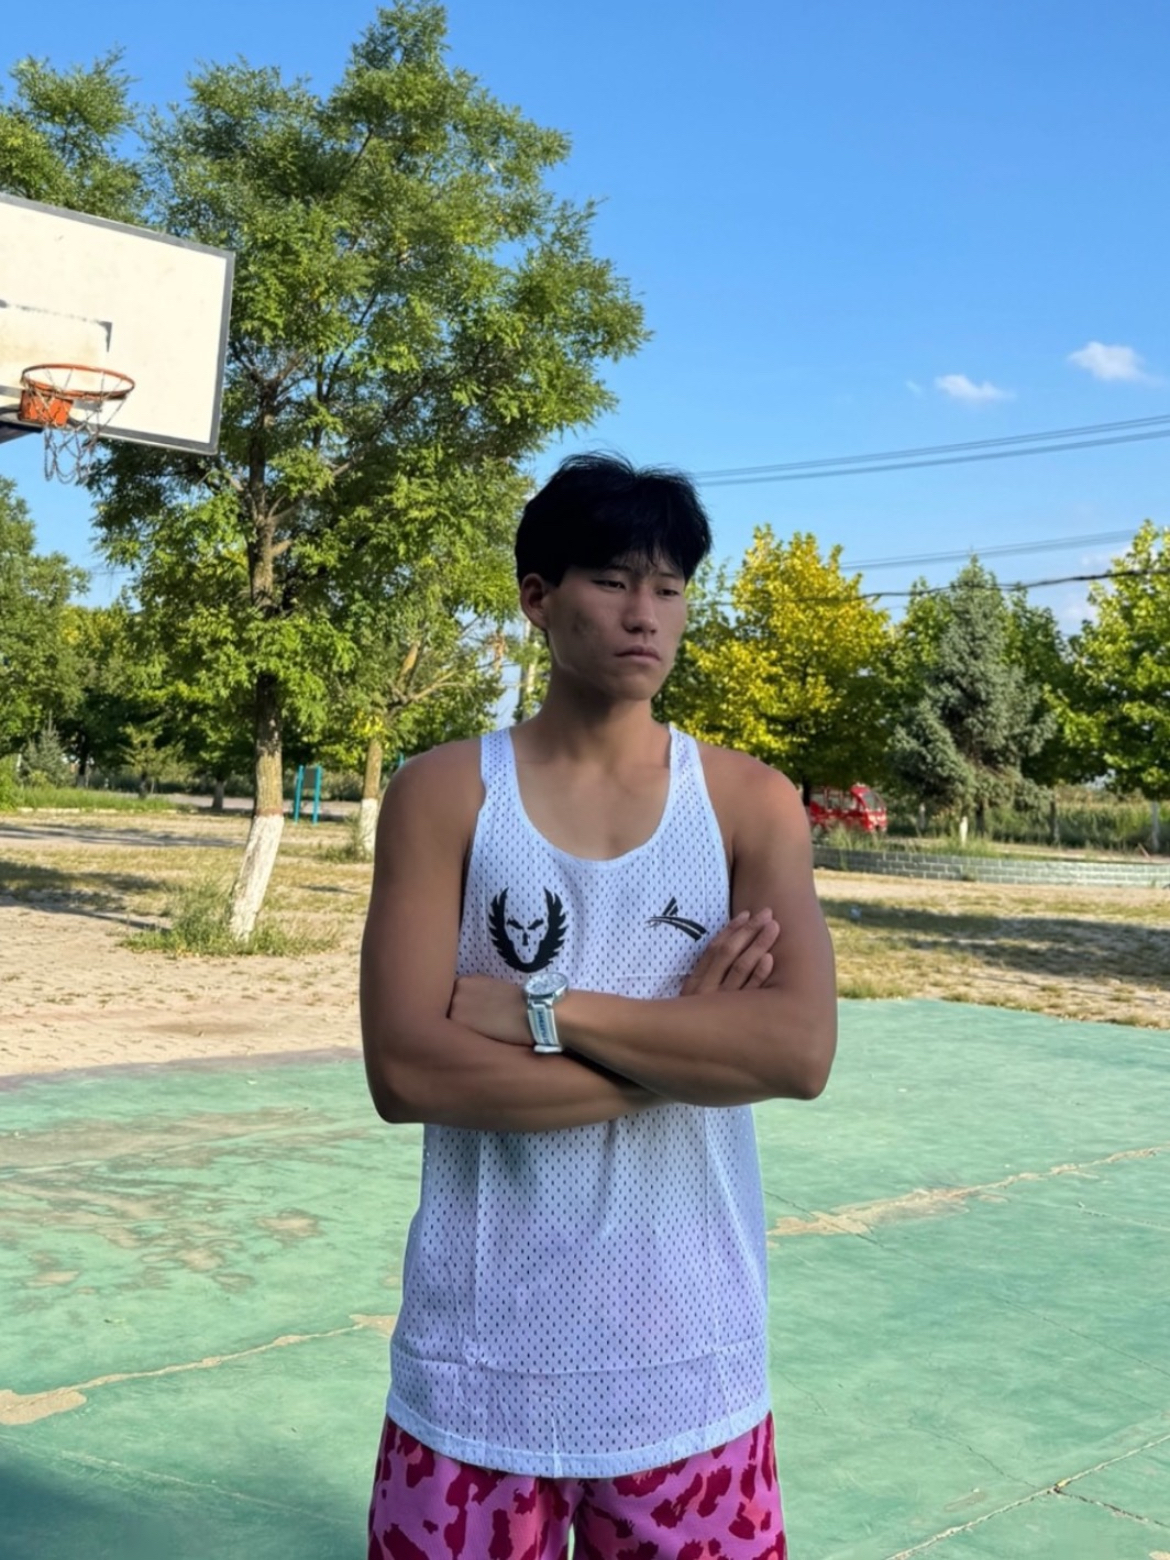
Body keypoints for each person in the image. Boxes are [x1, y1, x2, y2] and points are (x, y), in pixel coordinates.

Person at [360, 452, 837, 1560]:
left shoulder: (749, 804)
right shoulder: (445, 793)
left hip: (695, 1372)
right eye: (614, 580)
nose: (645, 614)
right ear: (538, 597)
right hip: (473, 1376)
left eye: (670, 588)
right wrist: (690, 1050)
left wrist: (544, 1010)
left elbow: (799, 1051)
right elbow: (408, 1071)